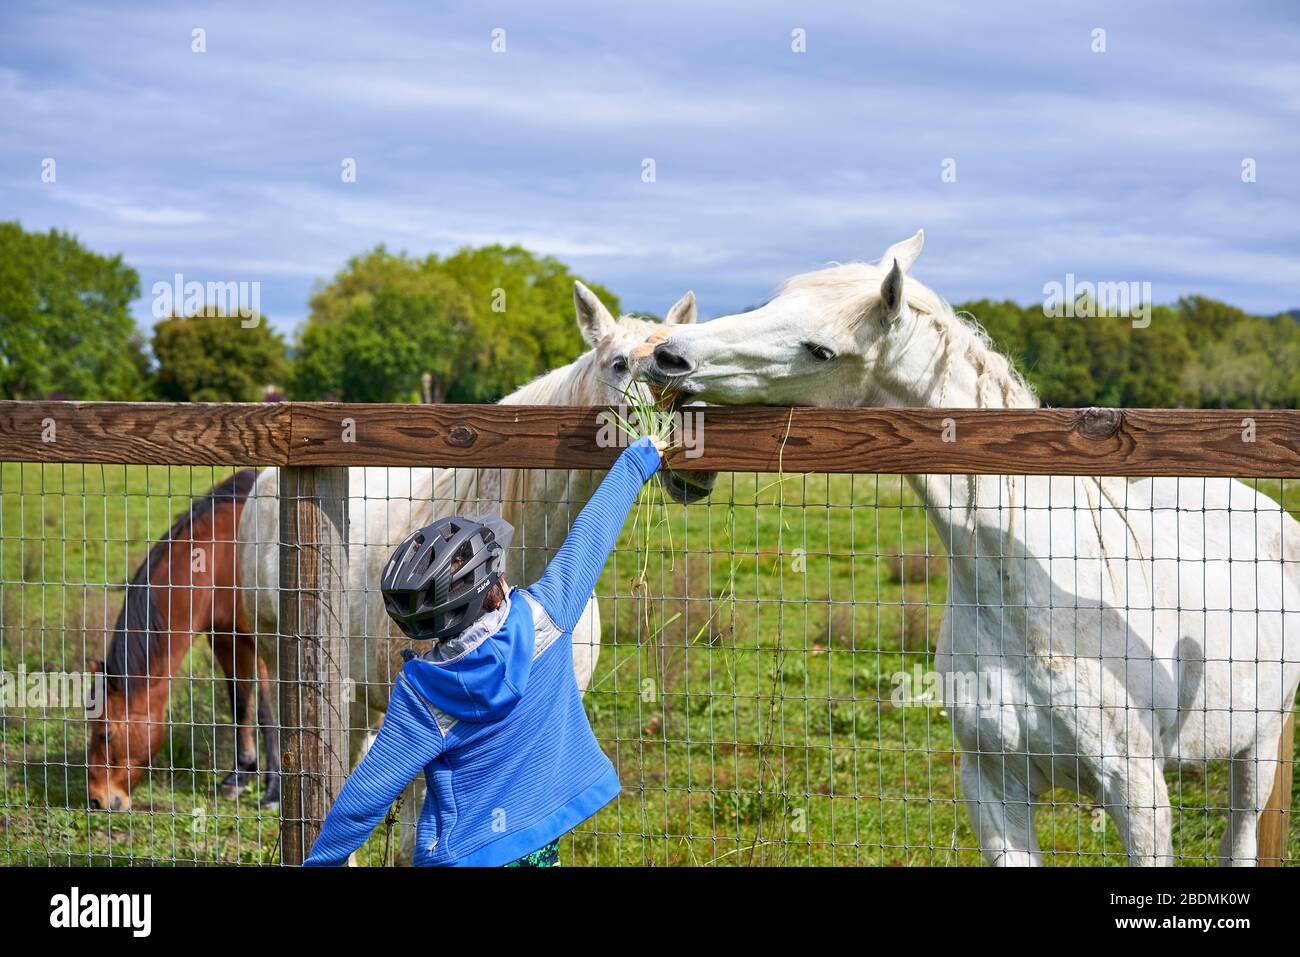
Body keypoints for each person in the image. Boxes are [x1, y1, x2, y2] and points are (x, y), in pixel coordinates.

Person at [304, 435, 667, 866]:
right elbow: (592, 532)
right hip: (532, 849)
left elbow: (367, 796)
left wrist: (321, 862)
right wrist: (636, 461)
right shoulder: (548, 616)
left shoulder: (423, 696)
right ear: (495, 589)